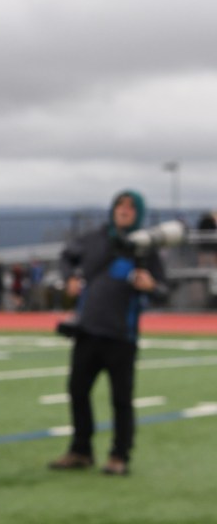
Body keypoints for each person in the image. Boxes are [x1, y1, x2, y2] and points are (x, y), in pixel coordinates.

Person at [49, 190, 169, 476]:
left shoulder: (146, 247)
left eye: (130, 207)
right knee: (77, 391)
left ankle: (119, 455)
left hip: (121, 336)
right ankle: (80, 450)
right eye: (120, 205)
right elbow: (66, 258)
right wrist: (70, 278)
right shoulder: (95, 239)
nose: (124, 211)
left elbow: (163, 292)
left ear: (138, 212)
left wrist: (151, 286)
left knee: (121, 399)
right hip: (87, 331)